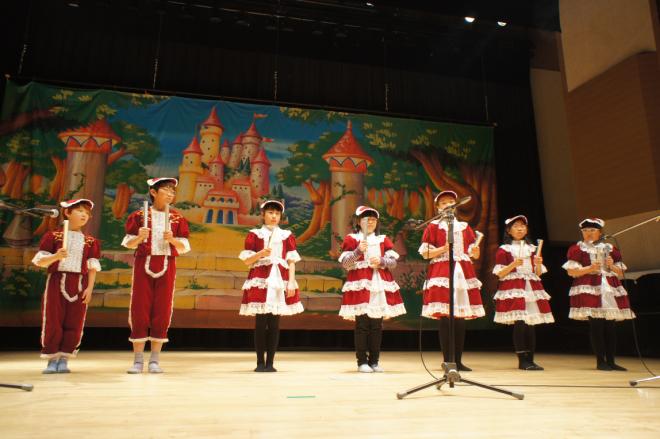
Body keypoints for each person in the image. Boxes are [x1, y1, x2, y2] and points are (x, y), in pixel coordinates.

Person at [122, 177, 191, 374]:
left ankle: (154, 359)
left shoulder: (177, 218)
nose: (170, 194)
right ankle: (137, 360)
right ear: (153, 192)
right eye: (166, 190)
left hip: (167, 265)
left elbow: (184, 246)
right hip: (143, 264)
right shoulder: (139, 216)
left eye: (172, 191)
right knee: (140, 308)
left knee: (162, 309)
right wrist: (139, 237)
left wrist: (173, 240)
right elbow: (128, 243)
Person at [32, 198, 101, 374]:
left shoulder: (90, 241)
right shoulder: (53, 236)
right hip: (57, 281)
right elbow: (40, 261)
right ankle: (52, 358)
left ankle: (64, 358)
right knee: (53, 320)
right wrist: (56, 256)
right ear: (67, 213)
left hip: (79, 283)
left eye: (87, 213)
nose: (84, 215)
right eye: (80, 211)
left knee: (75, 321)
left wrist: (89, 288)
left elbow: (92, 267)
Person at [419, 190, 484, 371]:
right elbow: (425, 253)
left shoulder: (464, 227)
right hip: (442, 271)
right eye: (444, 202)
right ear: (438, 207)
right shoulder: (433, 227)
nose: (448, 205)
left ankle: (458, 360)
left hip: (462, 271)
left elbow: (473, 253)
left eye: (451, 202)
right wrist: (444, 249)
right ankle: (448, 360)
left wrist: (475, 252)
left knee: (460, 317)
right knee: (446, 317)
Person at [338, 206, 406, 373]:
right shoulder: (352, 239)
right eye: (366, 219)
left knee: (376, 325)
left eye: (373, 220)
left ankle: (374, 361)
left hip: (379, 284)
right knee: (362, 325)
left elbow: (393, 263)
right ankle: (362, 361)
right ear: (358, 222)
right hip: (360, 284)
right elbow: (345, 264)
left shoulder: (383, 239)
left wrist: (381, 261)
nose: (370, 222)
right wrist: (358, 251)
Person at [239, 200, 303, 372]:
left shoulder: (286, 235)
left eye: (277, 213)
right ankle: (260, 362)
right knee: (260, 323)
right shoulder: (254, 234)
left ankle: (271, 363)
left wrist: (291, 282)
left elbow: (291, 261)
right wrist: (260, 254)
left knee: (274, 324)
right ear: (263, 215)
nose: (274, 216)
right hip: (261, 278)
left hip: (279, 279)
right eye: (270, 212)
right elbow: (247, 261)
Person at [563, 218, 635, 371]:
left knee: (610, 326)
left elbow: (621, 272)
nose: (588, 233)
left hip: (609, 288)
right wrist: (589, 268)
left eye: (592, 230)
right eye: (585, 231)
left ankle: (611, 361)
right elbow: (571, 271)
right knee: (596, 325)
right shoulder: (577, 249)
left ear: (600, 232)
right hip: (589, 288)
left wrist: (611, 266)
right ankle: (600, 361)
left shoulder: (610, 248)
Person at [493, 214, 554, 370]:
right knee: (520, 323)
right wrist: (513, 265)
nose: (520, 229)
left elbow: (538, 273)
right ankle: (522, 360)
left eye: (522, 226)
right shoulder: (504, 250)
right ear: (509, 231)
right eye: (515, 226)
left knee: (530, 324)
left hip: (531, 286)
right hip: (514, 287)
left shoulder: (532, 249)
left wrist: (538, 263)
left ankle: (531, 359)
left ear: (526, 230)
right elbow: (500, 274)